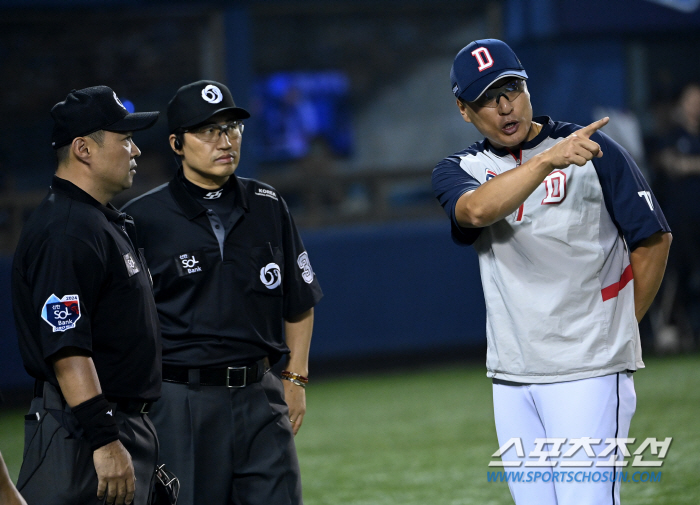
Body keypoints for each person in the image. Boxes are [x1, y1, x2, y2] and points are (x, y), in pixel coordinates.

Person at [432, 40, 672, 505]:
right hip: (513, 376)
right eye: (488, 98)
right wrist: (546, 159)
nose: (505, 107)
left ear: (527, 87)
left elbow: (654, 239)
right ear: (464, 110)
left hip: (589, 370)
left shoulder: (594, 149)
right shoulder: (460, 168)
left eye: (512, 89)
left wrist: (622, 326)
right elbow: (476, 211)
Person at [122, 80, 323, 505]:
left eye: (232, 128)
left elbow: (300, 301)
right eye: (208, 130)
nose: (225, 140)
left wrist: (295, 379)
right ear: (177, 143)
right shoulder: (141, 219)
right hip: (181, 402)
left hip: (261, 393)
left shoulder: (268, 204)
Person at [11, 86, 161, 505]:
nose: (136, 151)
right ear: (83, 149)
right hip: (83, 431)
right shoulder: (66, 231)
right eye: (124, 140)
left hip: (112, 423)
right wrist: (105, 440)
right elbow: (67, 349)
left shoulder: (97, 222)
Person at [655, 83, 700, 347]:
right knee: (676, 277)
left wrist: (688, 165)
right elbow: (668, 163)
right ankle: (668, 329)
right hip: (680, 221)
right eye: (692, 99)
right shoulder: (672, 136)